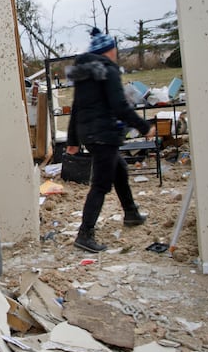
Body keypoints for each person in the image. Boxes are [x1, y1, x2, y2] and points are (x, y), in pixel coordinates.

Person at [65, 27, 156, 253]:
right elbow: (119, 105)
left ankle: (131, 213)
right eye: (114, 49)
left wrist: (74, 140)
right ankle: (85, 234)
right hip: (105, 133)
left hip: (91, 134)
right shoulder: (109, 71)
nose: (116, 53)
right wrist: (144, 127)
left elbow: (76, 109)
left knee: (120, 170)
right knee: (101, 185)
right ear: (108, 51)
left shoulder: (85, 74)